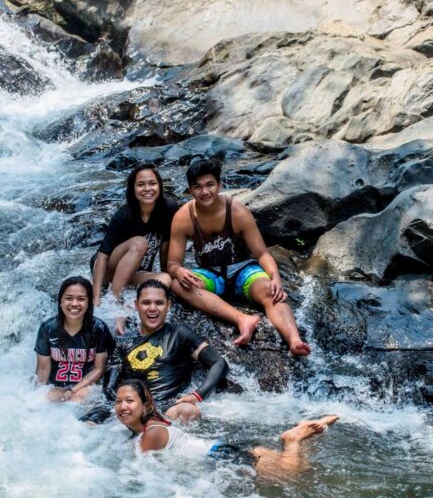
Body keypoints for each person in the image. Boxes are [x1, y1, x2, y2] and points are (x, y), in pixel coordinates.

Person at [166, 158, 310, 356]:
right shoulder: (183, 217)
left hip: (243, 269)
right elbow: (173, 263)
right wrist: (180, 270)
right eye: (198, 187)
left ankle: (294, 340)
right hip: (211, 273)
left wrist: (275, 277)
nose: (205, 192)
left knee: (271, 291)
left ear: (220, 185)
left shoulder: (237, 211)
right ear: (190, 190)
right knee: (177, 285)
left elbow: (261, 253)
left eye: (210, 185)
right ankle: (242, 319)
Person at [114, 379, 338, 479]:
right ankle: (304, 432)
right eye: (118, 401)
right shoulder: (150, 425)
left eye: (130, 401)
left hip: (221, 457)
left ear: (145, 404)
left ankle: (294, 438)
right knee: (301, 469)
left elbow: (140, 473)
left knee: (290, 476)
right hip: (221, 449)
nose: (123, 406)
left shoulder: (151, 433)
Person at [111, 279, 228, 423]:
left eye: (159, 303)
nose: (152, 308)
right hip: (132, 409)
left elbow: (218, 362)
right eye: (146, 303)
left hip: (169, 407)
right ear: (136, 305)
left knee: (188, 411)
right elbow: (110, 388)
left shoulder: (179, 334)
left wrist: (198, 395)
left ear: (168, 305)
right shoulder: (123, 341)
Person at [91, 163, 178, 331]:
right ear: (133, 189)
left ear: (159, 185)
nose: (147, 189)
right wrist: (96, 297)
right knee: (140, 242)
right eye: (140, 184)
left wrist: (169, 272)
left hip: (134, 273)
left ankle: (126, 309)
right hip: (109, 270)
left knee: (166, 280)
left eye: (152, 183)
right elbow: (102, 257)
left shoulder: (168, 208)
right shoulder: (124, 215)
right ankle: (114, 299)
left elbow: (165, 246)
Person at [34, 276, 114, 403]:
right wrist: (37, 395)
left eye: (81, 299)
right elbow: (43, 368)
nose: (74, 304)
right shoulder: (48, 328)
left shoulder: (98, 328)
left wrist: (74, 390)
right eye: (69, 298)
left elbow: (99, 368)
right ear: (60, 301)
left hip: (85, 387)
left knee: (79, 400)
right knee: (47, 399)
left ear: (89, 302)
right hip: (56, 387)